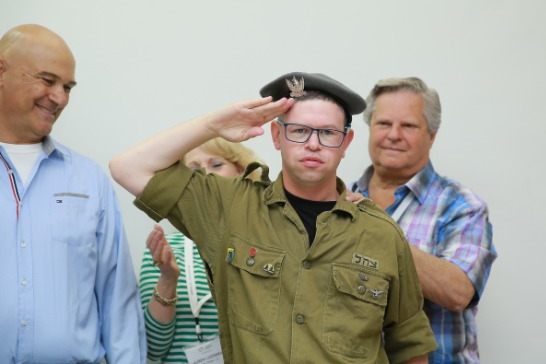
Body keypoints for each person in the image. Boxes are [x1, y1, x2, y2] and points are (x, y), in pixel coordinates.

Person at [110, 72, 438, 363]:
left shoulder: (381, 233)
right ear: (277, 135)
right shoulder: (229, 208)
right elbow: (128, 168)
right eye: (299, 131)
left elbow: (409, 346)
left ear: (346, 142)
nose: (313, 144)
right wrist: (213, 125)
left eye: (327, 133)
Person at [0, 23, 146, 362]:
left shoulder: (88, 180)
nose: (60, 98)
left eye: (67, 87)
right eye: (47, 80)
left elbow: (117, 299)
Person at [351, 77, 497, 364]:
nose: (394, 135)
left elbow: (458, 292)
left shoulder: (461, 205)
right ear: (369, 128)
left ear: (431, 135)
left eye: (408, 126)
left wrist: (376, 230)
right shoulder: (339, 199)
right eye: (383, 124)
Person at [139, 138, 264, 362]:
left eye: (216, 165)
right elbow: (152, 349)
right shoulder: (166, 250)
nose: (205, 174)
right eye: (194, 170)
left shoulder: (268, 245)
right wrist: (168, 279)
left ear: (241, 172)